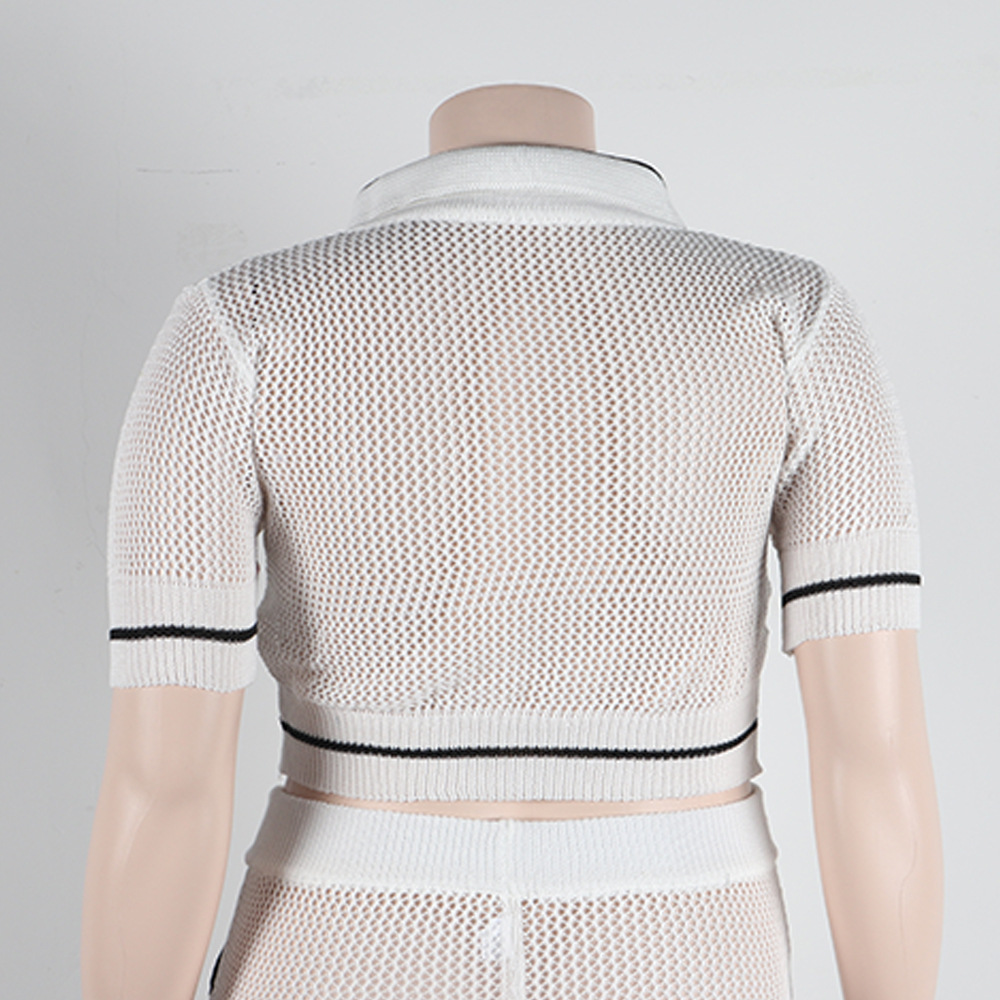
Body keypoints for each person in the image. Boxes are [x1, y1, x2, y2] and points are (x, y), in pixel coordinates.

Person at [82, 83, 943, 1000]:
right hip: (683, 943)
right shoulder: (790, 319)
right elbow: (875, 757)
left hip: (338, 939)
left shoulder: (241, 326)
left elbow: (163, 787)